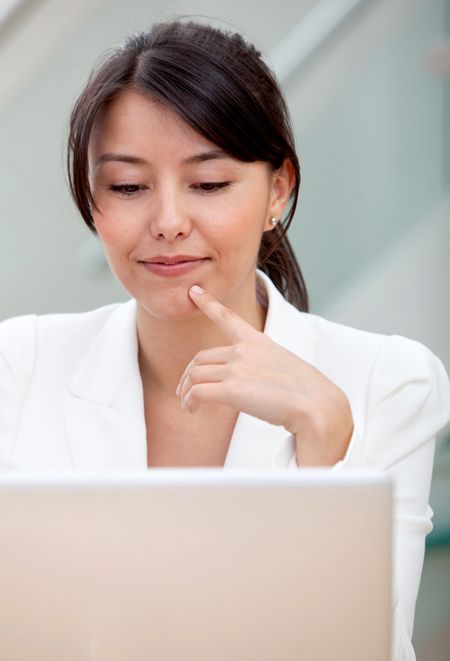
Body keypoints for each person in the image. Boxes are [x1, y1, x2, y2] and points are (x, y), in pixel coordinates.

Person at [0, 19, 448, 659]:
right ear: (91, 202)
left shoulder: (388, 381)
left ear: (278, 190)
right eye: (128, 187)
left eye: (209, 184)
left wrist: (327, 447)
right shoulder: (17, 368)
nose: (169, 222)